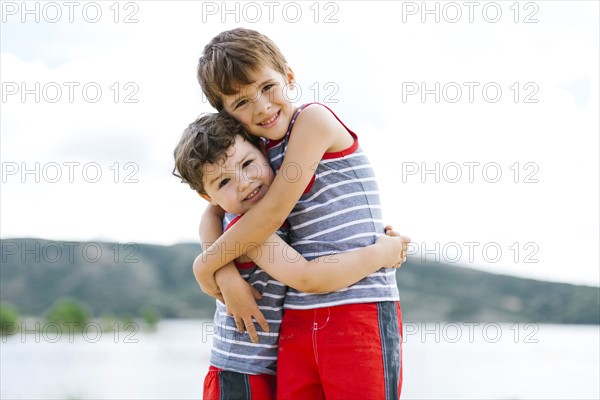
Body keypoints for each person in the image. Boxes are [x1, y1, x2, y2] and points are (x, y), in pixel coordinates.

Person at [193, 28, 409, 399]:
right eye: (241, 103)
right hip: (295, 316)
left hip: (356, 304)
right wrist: (224, 273)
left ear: (289, 77)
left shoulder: (312, 121)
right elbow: (213, 214)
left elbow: (273, 213)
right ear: (226, 115)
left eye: (266, 87)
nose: (261, 106)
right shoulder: (254, 153)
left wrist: (204, 265)